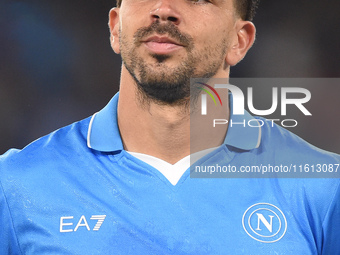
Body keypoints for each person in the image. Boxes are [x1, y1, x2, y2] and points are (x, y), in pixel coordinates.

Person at [1, 0, 339, 254]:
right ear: (115, 28)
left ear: (240, 41)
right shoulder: (14, 185)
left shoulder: (323, 187)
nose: (164, 9)